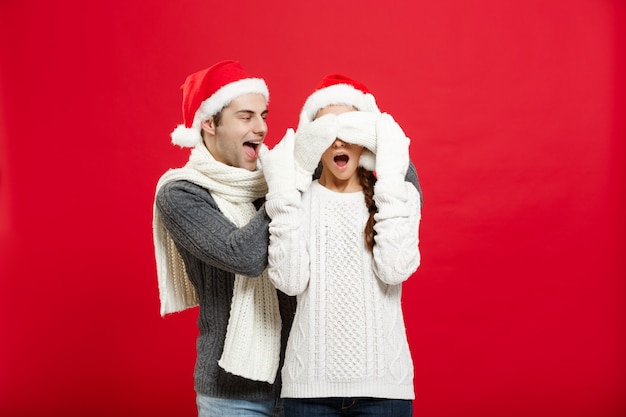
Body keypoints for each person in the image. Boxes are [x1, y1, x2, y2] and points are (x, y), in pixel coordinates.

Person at [259, 74, 422, 417]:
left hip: (384, 390)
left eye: (350, 129)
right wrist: (284, 196)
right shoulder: (298, 200)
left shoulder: (396, 195)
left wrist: (391, 180)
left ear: (367, 138)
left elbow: (395, 270)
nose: (338, 142)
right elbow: (289, 282)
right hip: (308, 391)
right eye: (326, 131)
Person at [152, 60, 296, 417]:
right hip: (231, 398)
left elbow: (372, 173)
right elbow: (244, 255)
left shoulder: (276, 181)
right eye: (246, 117)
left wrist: (361, 133)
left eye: (263, 115)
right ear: (209, 123)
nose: (261, 128)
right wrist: (284, 188)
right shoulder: (180, 193)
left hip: (303, 384)